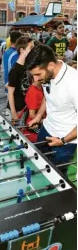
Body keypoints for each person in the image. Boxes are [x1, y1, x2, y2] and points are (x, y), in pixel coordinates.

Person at [25, 45, 77, 176]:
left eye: (38, 74)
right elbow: (47, 97)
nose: (35, 79)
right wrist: (37, 118)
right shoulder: (46, 76)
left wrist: (63, 140)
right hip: (46, 129)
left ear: (51, 65)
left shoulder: (73, 83)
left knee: (55, 176)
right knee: (38, 166)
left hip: (65, 140)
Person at [7, 36, 34, 122]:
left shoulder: (28, 66)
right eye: (31, 48)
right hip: (16, 110)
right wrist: (13, 113)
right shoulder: (15, 70)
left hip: (24, 108)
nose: (33, 51)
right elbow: (10, 93)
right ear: (22, 50)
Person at [21, 73, 44, 143]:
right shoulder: (33, 91)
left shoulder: (42, 87)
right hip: (33, 130)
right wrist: (46, 122)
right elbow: (32, 115)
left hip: (38, 126)